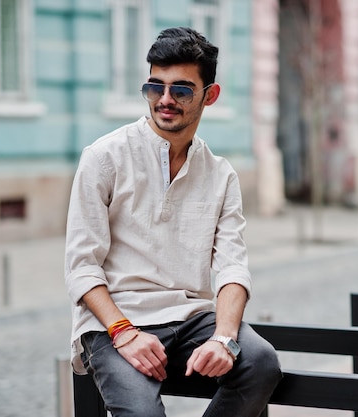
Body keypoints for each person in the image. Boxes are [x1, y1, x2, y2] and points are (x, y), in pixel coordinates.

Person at [64, 27, 282, 417]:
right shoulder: (103, 158)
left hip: (191, 318)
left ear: (209, 96)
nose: (164, 100)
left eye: (181, 90)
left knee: (261, 362)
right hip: (115, 323)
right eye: (155, 87)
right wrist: (123, 332)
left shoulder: (221, 174)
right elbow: (82, 267)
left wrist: (225, 338)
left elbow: (232, 267)